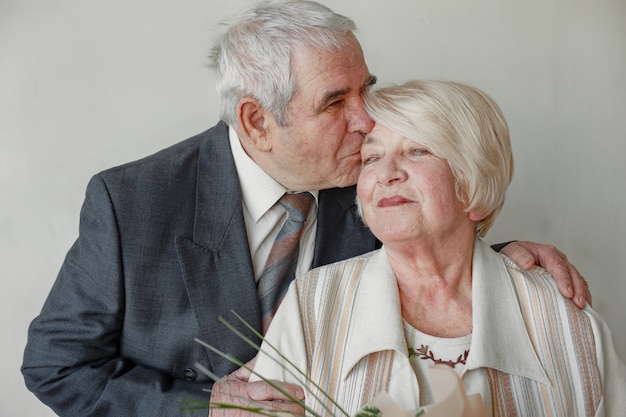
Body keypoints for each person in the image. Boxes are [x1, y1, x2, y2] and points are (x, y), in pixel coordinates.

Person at [21, 1, 590, 416]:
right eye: (335, 102)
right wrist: (206, 405)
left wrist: (493, 256)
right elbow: (57, 365)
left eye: (365, 89)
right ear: (256, 122)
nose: (367, 120)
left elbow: (424, 256)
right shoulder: (132, 202)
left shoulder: (370, 179)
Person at [250, 80, 626, 416]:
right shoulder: (311, 306)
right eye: (372, 157)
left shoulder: (565, 321)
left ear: (472, 184)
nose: (386, 173)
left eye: (418, 151)